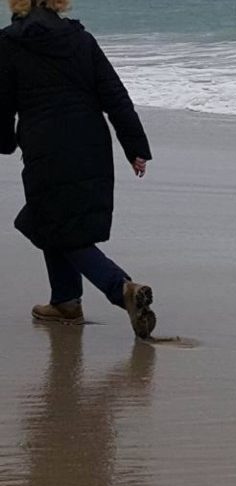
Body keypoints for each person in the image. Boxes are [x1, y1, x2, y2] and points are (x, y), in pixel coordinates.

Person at [0, 0, 157, 339]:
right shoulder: (81, 39)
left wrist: (5, 141)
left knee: (52, 222)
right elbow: (114, 94)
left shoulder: (10, 42)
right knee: (54, 222)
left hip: (45, 147)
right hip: (91, 143)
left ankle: (122, 289)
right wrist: (136, 148)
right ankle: (65, 302)